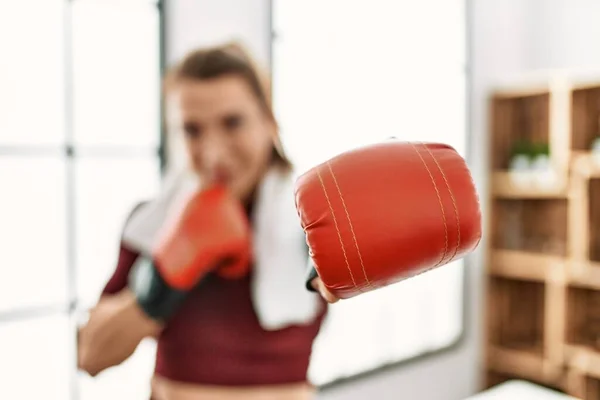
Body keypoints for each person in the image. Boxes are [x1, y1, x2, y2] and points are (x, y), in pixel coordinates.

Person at [77, 43, 337, 400]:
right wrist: (166, 270)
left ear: (269, 121)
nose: (213, 151)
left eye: (232, 123)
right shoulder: (152, 223)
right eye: (193, 130)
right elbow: (90, 355)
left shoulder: (315, 221)